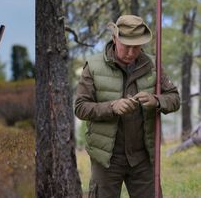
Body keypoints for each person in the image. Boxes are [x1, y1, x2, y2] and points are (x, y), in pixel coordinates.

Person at [74, 15, 180, 198]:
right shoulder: (93, 66)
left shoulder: (153, 65)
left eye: (136, 47)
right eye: (127, 46)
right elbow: (81, 107)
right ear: (115, 39)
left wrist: (157, 101)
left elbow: (174, 98)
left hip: (143, 157)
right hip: (106, 158)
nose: (131, 52)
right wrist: (112, 107)